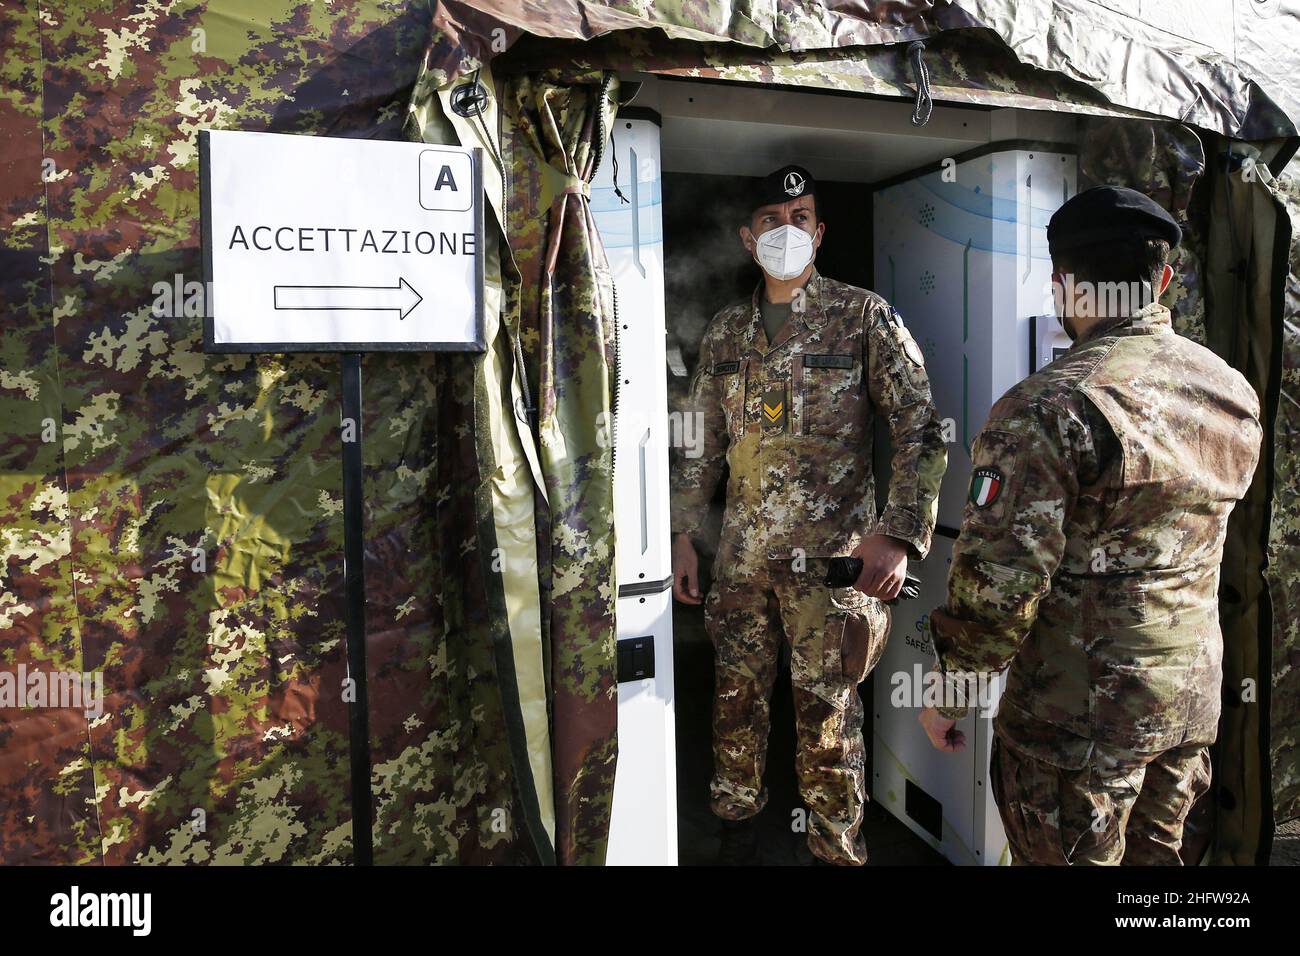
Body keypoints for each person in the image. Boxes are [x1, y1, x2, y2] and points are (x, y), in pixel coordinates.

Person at [918, 185, 1263, 865]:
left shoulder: (1047, 406)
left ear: (1063, 285)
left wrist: (945, 700)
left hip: (1075, 728)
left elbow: (998, 592)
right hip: (1187, 711)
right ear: (1162, 278)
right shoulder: (1229, 387)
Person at [671, 164, 947, 865]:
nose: (785, 232)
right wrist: (679, 533)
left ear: (819, 232)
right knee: (734, 702)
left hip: (831, 565)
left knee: (827, 719)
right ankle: (735, 838)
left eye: (799, 218)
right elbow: (698, 437)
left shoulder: (863, 317)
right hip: (741, 560)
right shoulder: (727, 332)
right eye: (770, 220)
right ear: (746, 237)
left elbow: (921, 426)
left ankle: (834, 851)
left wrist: (899, 535)